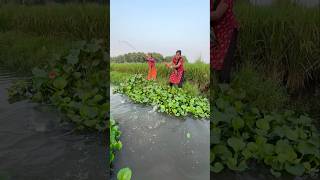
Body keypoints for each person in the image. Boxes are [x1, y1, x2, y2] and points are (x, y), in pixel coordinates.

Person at [211, 0, 239, 83]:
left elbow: (217, 14)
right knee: (213, 59)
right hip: (216, 34)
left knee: (225, 63)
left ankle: (224, 89)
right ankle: (216, 86)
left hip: (228, 33)